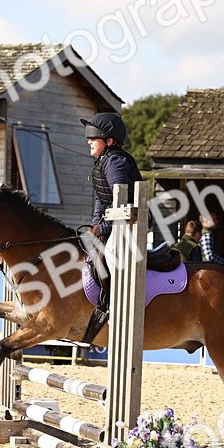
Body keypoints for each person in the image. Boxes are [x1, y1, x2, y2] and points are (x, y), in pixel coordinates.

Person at [80, 111, 165, 342]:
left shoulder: (115, 162)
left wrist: (102, 228)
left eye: (93, 138)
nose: (89, 141)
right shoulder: (103, 162)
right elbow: (102, 200)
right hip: (116, 224)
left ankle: (113, 304)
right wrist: (95, 225)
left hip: (131, 224)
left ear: (109, 141)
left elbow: (121, 203)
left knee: (108, 255)